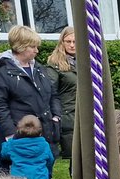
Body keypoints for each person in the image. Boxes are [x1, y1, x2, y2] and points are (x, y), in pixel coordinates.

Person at [0, 25, 62, 158]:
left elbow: (53, 95)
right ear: (20, 46)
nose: (37, 50)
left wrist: (56, 117)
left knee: (46, 176)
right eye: (33, 46)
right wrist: (11, 134)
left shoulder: (39, 68)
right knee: (23, 177)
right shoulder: (2, 72)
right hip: (23, 137)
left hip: (46, 135)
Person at [42, 26, 76, 159]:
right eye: (68, 41)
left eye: (75, 41)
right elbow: (50, 92)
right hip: (68, 116)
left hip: (86, 114)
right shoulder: (54, 64)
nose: (72, 45)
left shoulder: (86, 60)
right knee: (75, 157)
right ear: (62, 42)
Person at [0, 115, 55, 179]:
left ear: (19, 130)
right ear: (40, 131)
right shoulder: (44, 145)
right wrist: (48, 172)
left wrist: (12, 139)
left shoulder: (12, 144)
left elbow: (3, 154)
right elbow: (50, 160)